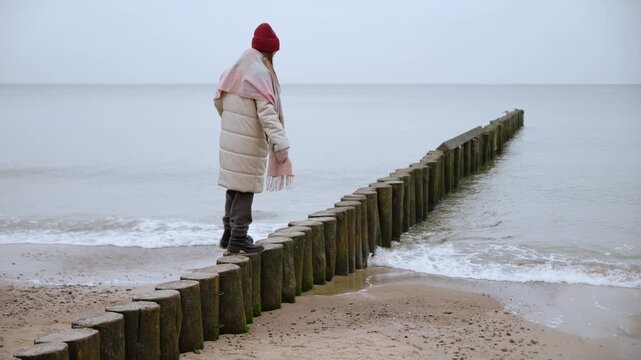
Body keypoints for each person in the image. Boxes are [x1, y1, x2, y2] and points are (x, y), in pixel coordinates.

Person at [213, 23, 293, 254]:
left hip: (230, 140)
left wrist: (233, 126)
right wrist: (281, 145)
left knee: (234, 188)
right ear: (269, 51)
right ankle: (239, 238)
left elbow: (219, 103)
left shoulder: (234, 71)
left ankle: (229, 235)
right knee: (245, 190)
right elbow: (267, 114)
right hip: (247, 141)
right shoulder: (259, 74)